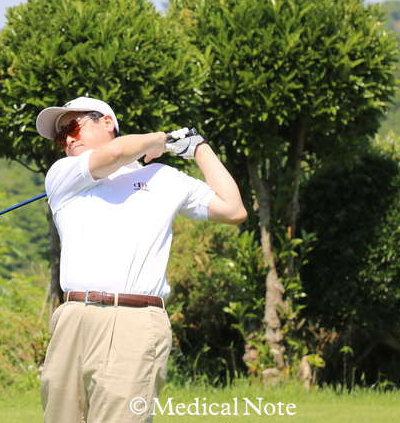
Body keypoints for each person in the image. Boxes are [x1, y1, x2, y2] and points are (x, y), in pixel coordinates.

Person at [35, 96, 247, 423]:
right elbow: (117, 152)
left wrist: (197, 146)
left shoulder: (165, 178)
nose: (69, 139)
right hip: (74, 317)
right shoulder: (64, 173)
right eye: (62, 135)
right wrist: (162, 139)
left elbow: (233, 209)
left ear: (107, 122)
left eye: (74, 126)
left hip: (135, 320)